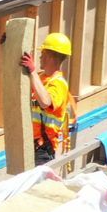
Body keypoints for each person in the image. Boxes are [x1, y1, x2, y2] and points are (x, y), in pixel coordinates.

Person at [23, 32, 74, 166]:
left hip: (43, 149)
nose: (40, 56)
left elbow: (46, 102)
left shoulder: (59, 84)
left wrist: (32, 71)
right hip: (31, 145)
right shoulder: (40, 78)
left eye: (43, 53)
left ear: (50, 56)